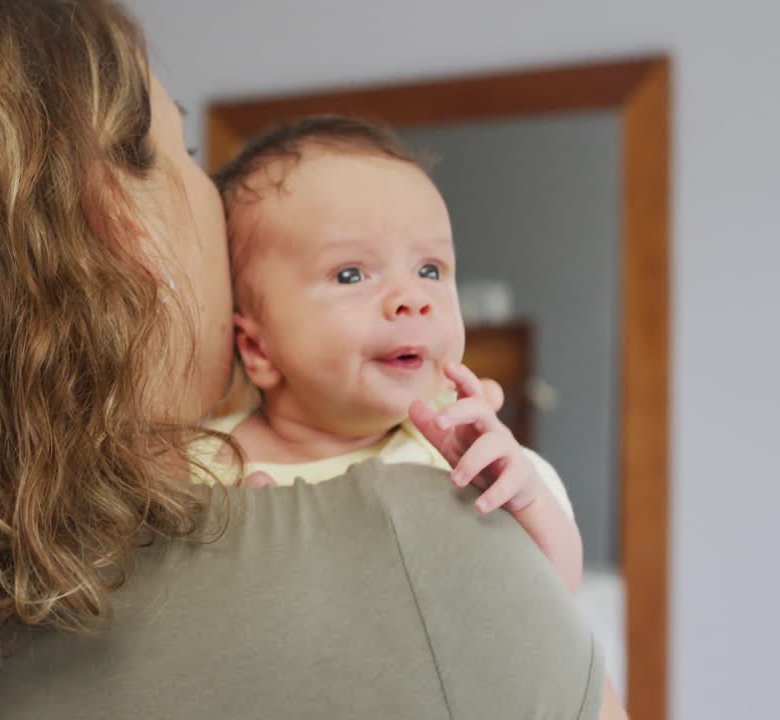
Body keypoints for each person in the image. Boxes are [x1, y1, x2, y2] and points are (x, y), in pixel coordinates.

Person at [0, 1, 625, 717]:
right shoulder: (423, 543)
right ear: (114, 227)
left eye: (430, 269)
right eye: (181, 149)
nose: (208, 195)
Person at [205, 116, 583, 591]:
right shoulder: (200, 471)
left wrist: (525, 501)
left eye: (430, 269)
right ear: (258, 348)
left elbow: (558, 597)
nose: (413, 298)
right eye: (351, 275)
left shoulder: (465, 461)